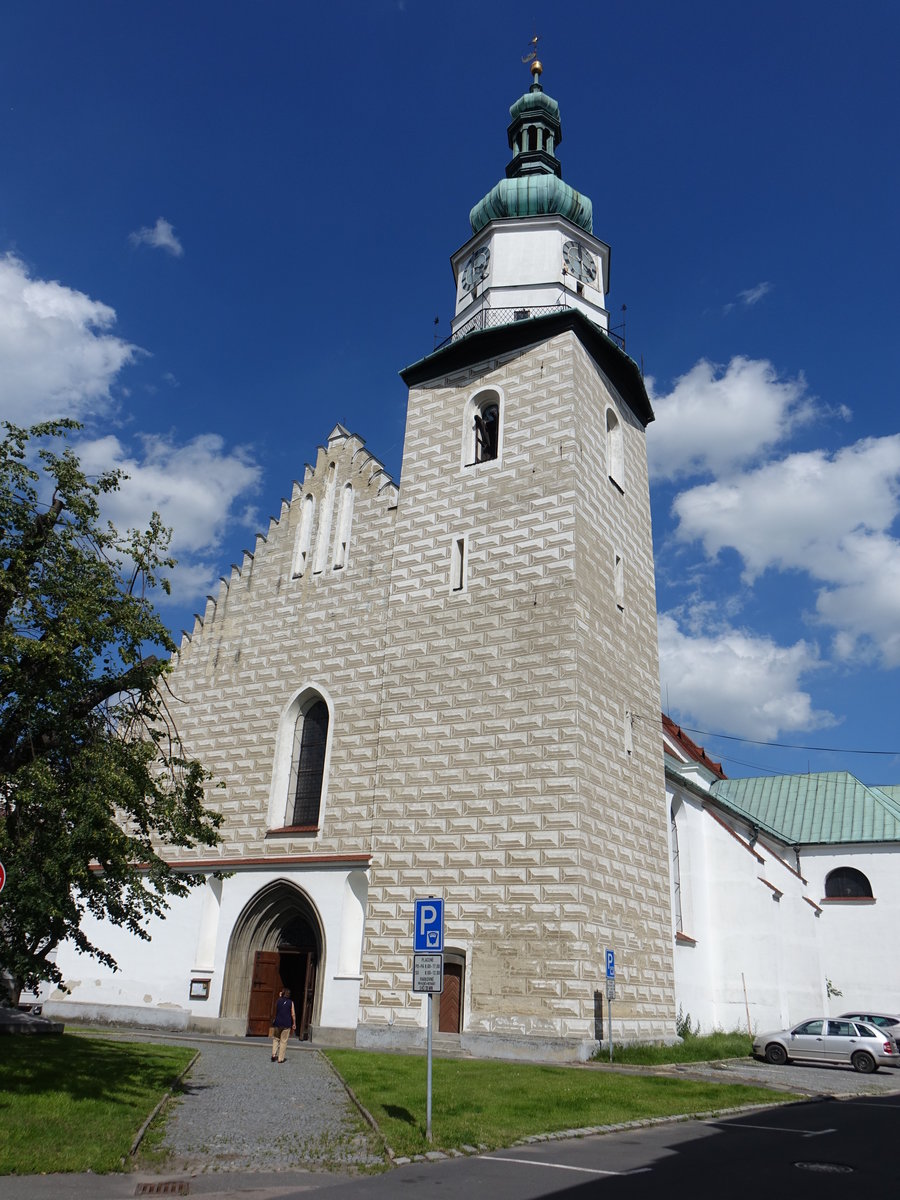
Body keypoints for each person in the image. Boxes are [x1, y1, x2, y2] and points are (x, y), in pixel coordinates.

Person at [270, 988, 296, 1063]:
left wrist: (280, 996)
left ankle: (274, 1054)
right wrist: (294, 1023)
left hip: (278, 1023)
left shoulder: (278, 1001)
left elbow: (277, 1007)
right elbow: (293, 1014)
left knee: (276, 1039)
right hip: (286, 1024)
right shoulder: (291, 1002)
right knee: (283, 1041)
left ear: (282, 993)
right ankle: (280, 1059)